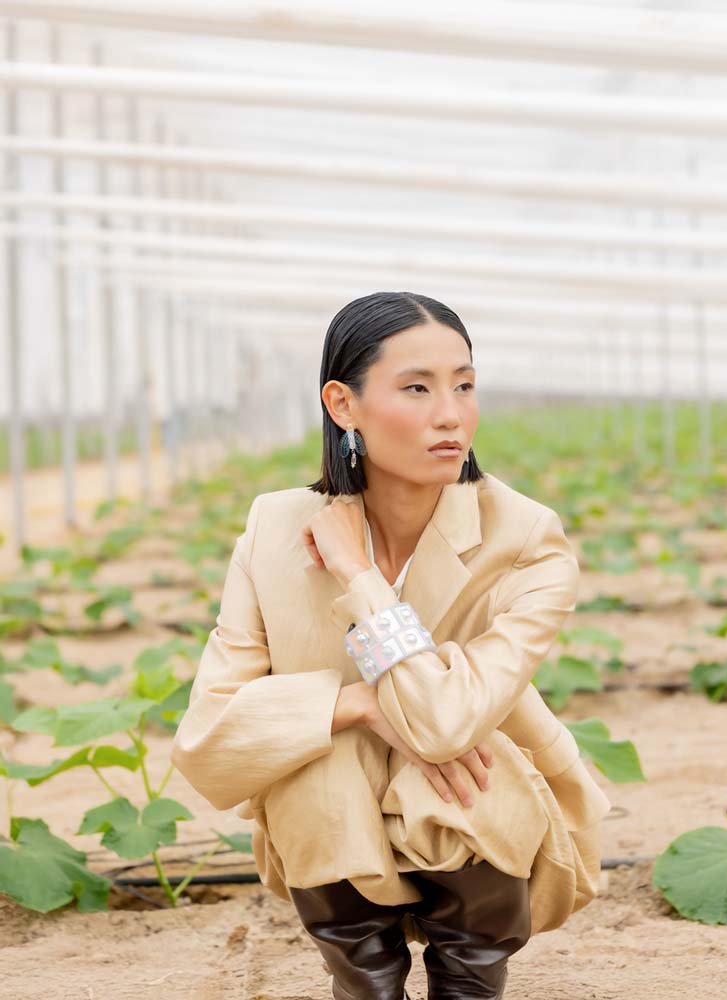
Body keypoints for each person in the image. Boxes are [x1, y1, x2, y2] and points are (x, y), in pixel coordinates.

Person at [170, 291, 612, 1000]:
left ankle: (468, 983)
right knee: (321, 757)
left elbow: (444, 726)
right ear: (343, 405)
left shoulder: (527, 539)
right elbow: (208, 739)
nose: (451, 414)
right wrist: (357, 705)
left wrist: (359, 576)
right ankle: (365, 985)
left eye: (464, 386)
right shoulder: (274, 528)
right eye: (417, 388)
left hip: (484, 815)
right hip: (329, 834)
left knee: (462, 758)